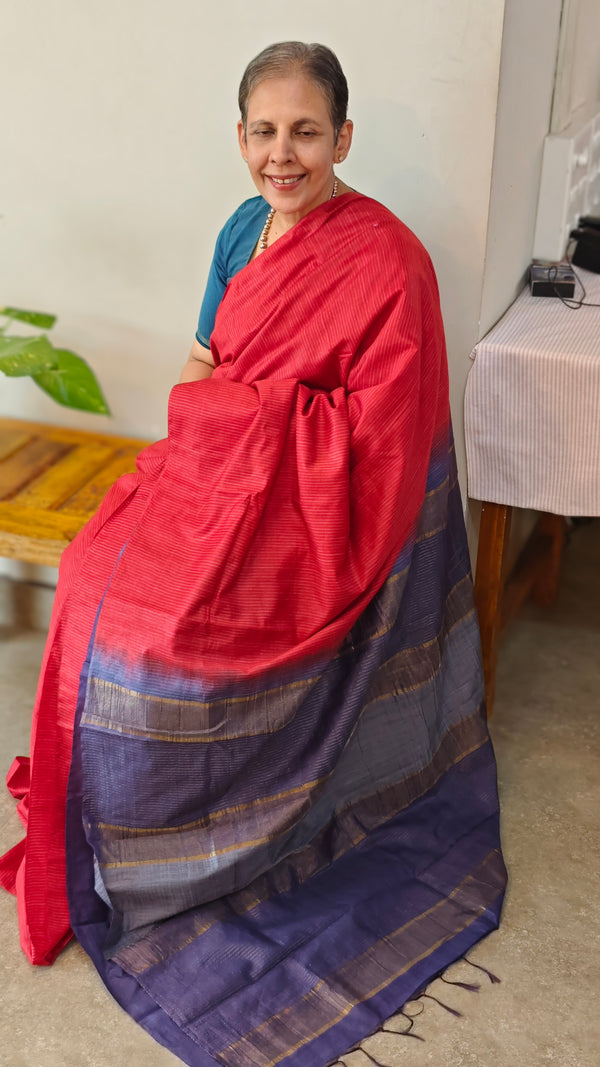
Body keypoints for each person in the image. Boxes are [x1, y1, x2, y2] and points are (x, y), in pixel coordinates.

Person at [0, 42, 506, 1067]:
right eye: (266, 132)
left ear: (343, 138)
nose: (285, 154)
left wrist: (247, 426)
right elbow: (201, 364)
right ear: (240, 139)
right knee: (99, 583)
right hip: (217, 478)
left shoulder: (386, 259)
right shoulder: (240, 228)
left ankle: (188, 858)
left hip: (312, 517)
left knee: (164, 639)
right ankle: (121, 832)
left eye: (307, 132)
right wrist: (197, 449)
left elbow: (383, 435)